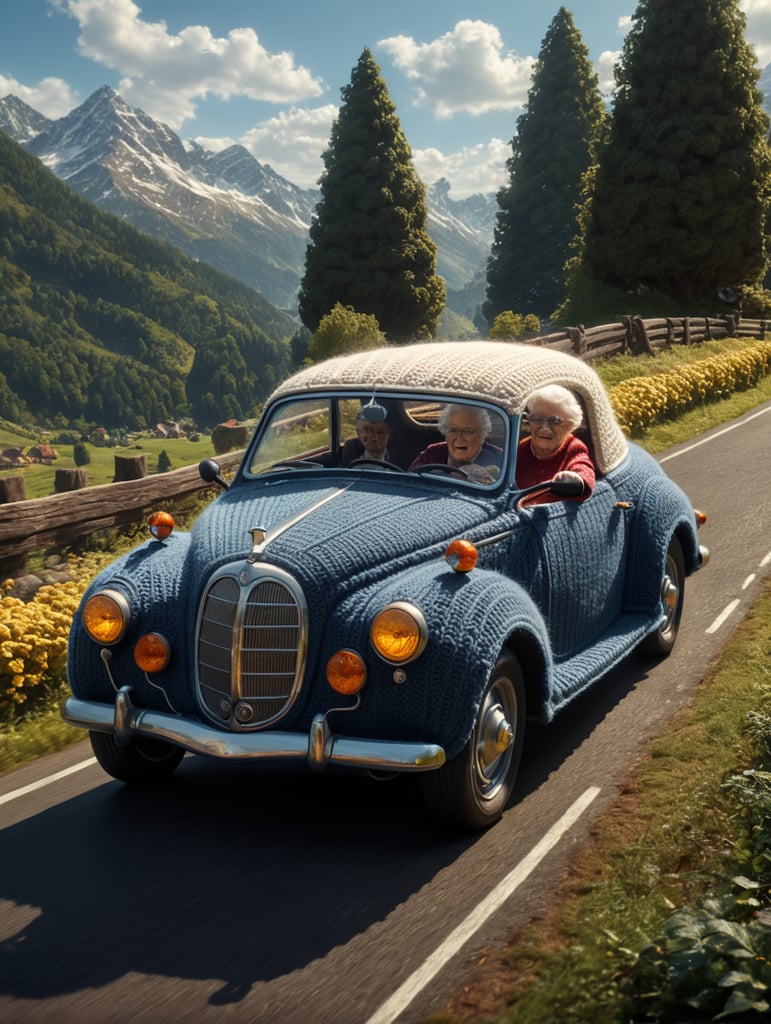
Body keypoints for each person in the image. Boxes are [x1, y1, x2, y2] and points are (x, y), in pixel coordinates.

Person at [515, 385, 595, 503]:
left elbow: (584, 470)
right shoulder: (522, 448)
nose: (545, 428)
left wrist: (577, 479)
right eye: (537, 419)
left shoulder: (574, 448)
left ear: (570, 426)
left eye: (555, 421)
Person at [409, 404, 502, 482]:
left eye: (467, 431)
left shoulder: (499, 459)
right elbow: (409, 481)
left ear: (483, 434)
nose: (459, 438)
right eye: (453, 430)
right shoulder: (432, 454)